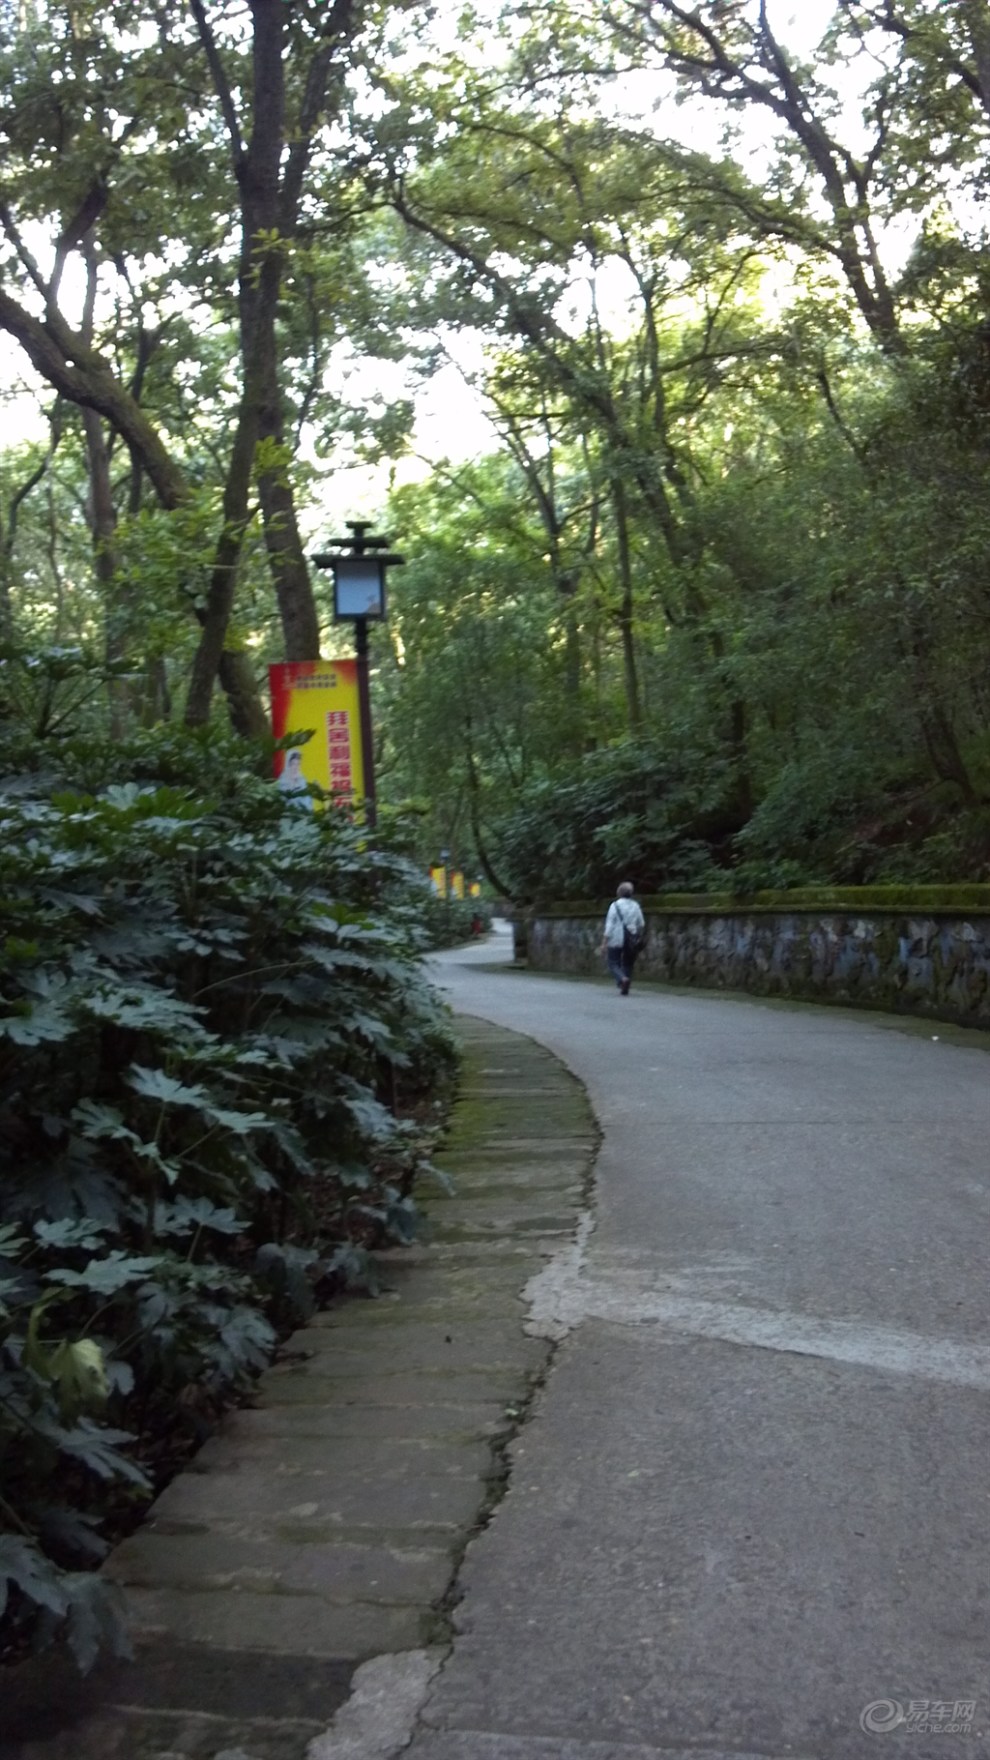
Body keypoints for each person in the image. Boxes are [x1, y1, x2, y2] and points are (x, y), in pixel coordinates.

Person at [599, 880, 646, 996]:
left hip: (616, 937)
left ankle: (622, 979)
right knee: (628, 963)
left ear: (619, 892)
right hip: (631, 938)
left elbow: (609, 925)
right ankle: (625, 986)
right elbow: (641, 923)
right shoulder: (635, 905)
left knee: (613, 962)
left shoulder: (614, 905)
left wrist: (604, 942)